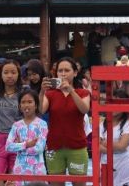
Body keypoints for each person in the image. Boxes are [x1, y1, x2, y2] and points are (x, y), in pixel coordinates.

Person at [40, 57, 91, 186]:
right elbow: (41, 110)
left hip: (77, 146)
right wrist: (41, 91)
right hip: (54, 146)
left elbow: (84, 109)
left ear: (75, 73)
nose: (63, 74)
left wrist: (71, 90)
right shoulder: (50, 94)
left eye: (67, 70)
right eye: (60, 71)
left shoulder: (83, 92)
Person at [6, 89, 48, 186]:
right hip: (19, 168)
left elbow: (39, 149)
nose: (26, 105)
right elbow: (8, 147)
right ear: (20, 106)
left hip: (37, 168)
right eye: (23, 102)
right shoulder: (16, 125)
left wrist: (18, 146)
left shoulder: (42, 124)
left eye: (30, 102)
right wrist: (26, 144)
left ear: (36, 105)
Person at [98, 102, 129, 186]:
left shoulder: (128, 125)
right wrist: (114, 148)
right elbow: (96, 146)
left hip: (123, 169)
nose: (114, 107)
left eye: (118, 105)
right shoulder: (102, 125)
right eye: (112, 104)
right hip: (106, 166)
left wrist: (104, 142)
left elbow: (122, 146)